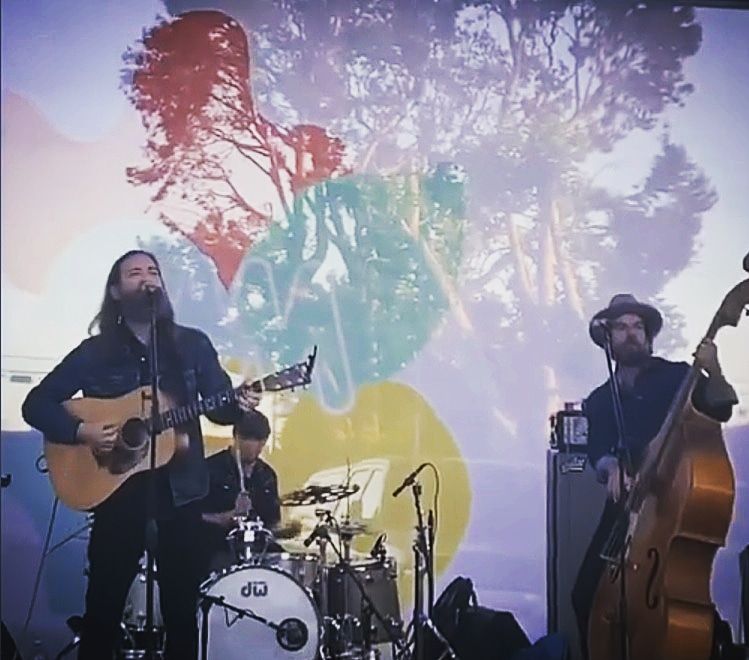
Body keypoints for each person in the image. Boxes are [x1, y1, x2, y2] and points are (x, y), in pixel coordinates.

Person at [21, 249, 260, 660]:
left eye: (153, 271)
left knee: (181, 613)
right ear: (116, 291)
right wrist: (82, 431)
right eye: (134, 273)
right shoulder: (94, 353)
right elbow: (36, 404)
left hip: (182, 493)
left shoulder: (192, 345)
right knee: (103, 611)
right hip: (117, 495)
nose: (147, 279)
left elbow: (220, 409)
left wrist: (239, 404)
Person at [570, 293, 738, 660]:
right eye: (621, 327)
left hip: (669, 506)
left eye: (638, 327)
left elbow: (723, 406)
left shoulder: (677, 376)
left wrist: (714, 370)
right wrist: (610, 467)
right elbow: (597, 448)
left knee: (675, 601)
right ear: (607, 340)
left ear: (648, 337)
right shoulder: (599, 400)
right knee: (585, 596)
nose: (631, 333)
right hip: (626, 511)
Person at [200, 409, 282, 573]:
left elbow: (272, 522)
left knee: (281, 565)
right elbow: (192, 516)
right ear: (236, 437)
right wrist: (226, 517)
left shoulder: (267, 475)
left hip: (259, 549)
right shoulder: (210, 470)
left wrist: (285, 529)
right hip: (217, 548)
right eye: (248, 440)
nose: (255, 448)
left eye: (260, 442)